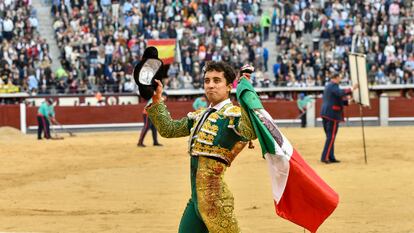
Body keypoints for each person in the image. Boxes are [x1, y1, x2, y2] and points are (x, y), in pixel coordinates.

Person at [146, 61, 256, 232]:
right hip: (196, 201)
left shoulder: (233, 115)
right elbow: (169, 129)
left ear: (228, 87)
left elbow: (249, 132)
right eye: (207, 81)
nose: (210, 85)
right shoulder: (199, 116)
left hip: (216, 202)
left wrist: (246, 95)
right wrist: (157, 99)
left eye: (217, 81)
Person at [320, 72, 358, 163]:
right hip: (332, 115)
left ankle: (331, 156)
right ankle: (325, 157)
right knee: (331, 137)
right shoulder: (333, 86)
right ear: (335, 78)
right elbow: (341, 93)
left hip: (326, 114)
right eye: (339, 78)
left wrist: (348, 102)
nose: (340, 80)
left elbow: (337, 99)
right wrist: (352, 88)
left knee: (330, 137)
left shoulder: (329, 86)